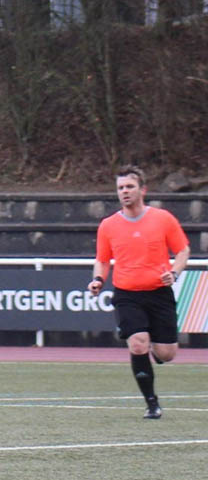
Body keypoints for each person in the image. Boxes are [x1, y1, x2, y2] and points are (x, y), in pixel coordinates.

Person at [88, 165, 190, 419]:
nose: (125, 191)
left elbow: (183, 251)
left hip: (158, 293)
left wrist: (174, 273)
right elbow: (102, 259)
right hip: (127, 294)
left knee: (167, 353)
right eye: (121, 188)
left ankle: (158, 353)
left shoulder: (163, 219)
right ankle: (152, 403)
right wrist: (98, 280)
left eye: (129, 186)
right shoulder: (108, 225)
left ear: (142, 190)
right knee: (137, 343)